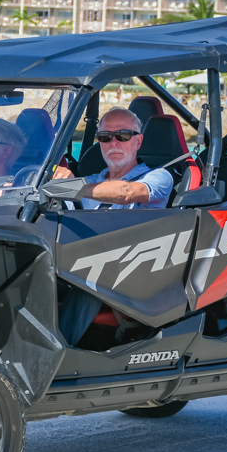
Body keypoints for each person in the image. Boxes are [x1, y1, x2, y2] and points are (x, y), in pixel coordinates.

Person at [52, 107, 175, 346]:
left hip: (134, 269)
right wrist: (56, 183)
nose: (113, 143)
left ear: (138, 141)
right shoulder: (91, 181)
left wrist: (73, 186)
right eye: (105, 137)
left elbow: (127, 193)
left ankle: (56, 354)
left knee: (91, 279)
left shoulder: (158, 177)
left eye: (123, 136)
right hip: (80, 262)